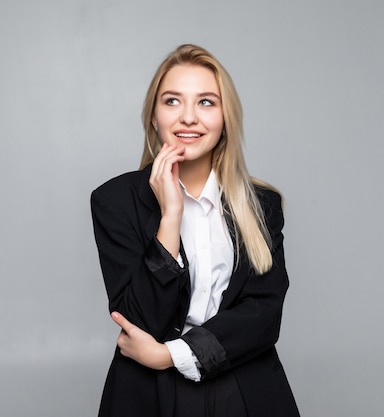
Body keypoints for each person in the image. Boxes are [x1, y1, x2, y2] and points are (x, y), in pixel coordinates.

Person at [90, 44, 300, 417]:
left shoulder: (262, 205)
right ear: (153, 117)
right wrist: (170, 216)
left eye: (206, 102)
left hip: (244, 386)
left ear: (225, 119)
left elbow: (264, 314)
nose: (189, 117)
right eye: (172, 101)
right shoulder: (115, 200)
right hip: (148, 395)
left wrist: (168, 355)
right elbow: (138, 320)